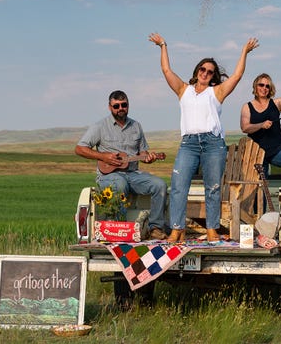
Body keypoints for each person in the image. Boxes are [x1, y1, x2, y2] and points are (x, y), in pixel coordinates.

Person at [148, 32, 259, 243]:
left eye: (210, 71)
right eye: (203, 69)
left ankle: (211, 229)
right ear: (197, 70)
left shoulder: (216, 92)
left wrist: (244, 51)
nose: (205, 73)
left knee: (213, 187)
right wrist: (163, 44)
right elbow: (166, 70)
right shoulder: (183, 90)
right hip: (189, 144)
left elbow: (236, 76)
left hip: (213, 144)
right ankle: (177, 230)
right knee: (179, 185)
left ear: (213, 75)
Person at [75, 90, 169, 240]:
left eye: (123, 105)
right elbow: (80, 148)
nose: (120, 108)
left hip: (133, 174)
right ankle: (119, 230)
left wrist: (149, 157)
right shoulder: (100, 126)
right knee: (119, 184)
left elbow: (143, 152)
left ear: (128, 105)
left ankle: (155, 228)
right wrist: (103, 156)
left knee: (160, 185)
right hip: (109, 175)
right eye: (116, 106)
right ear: (110, 107)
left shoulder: (136, 126)